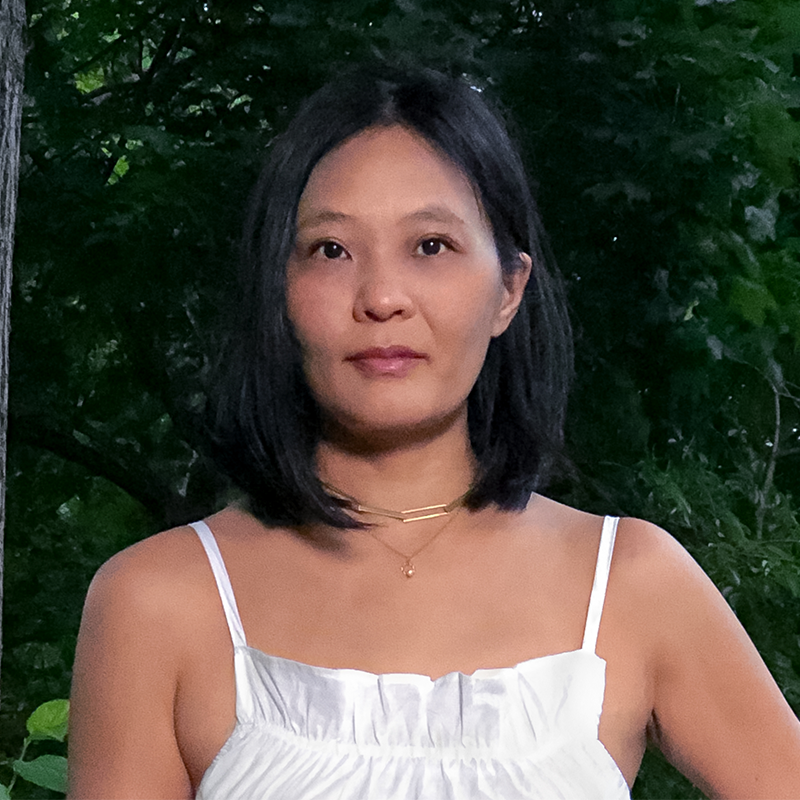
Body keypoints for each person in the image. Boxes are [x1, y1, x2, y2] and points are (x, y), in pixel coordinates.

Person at [68, 63, 800, 799]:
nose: (381, 297)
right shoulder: (155, 602)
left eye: (430, 246)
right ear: (279, 289)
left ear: (509, 289)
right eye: (330, 249)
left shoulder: (632, 582)